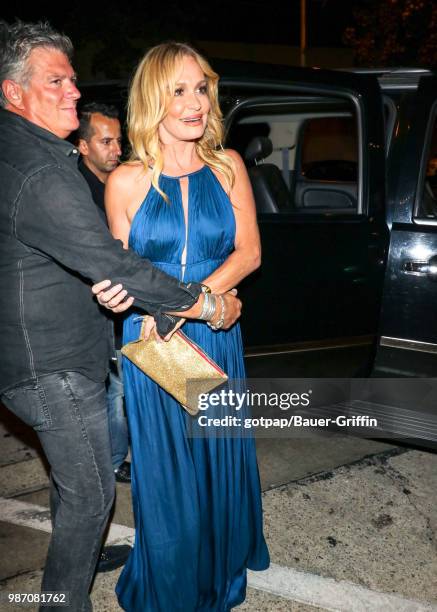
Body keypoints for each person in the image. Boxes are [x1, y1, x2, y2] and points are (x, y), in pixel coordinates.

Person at [0, 21, 241, 612]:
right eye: (55, 81)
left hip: (121, 343)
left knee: (211, 456)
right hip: (90, 356)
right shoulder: (55, 173)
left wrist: (144, 293)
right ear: (13, 93)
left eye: (73, 79)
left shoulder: (28, 154)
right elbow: (119, 265)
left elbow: (106, 272)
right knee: (95, 491)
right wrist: (208, 303)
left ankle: (203, 558)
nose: (73, 92)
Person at [100, 42, 270, 611]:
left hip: (213, 334)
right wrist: (126, 297)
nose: (195, 102)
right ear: (153, 99)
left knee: (215, 467)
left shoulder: (228, 167)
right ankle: (167, 590)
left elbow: (248, 254)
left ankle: (217, 580)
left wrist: (195, 304)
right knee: (169, 479)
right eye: (179, 90)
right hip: (155, 345)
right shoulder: (124, 182)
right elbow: (123, 272)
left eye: (201, 88)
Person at [77, 103, 131, 486]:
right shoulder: (77, 191)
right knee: (115, 389)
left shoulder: (120, 181)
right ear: (83, 146)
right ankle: (113, 462)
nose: (117, 149)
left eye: (119, 141)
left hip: (122, 299)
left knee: (122, 387)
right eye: (106, 141)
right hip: (95, 308)